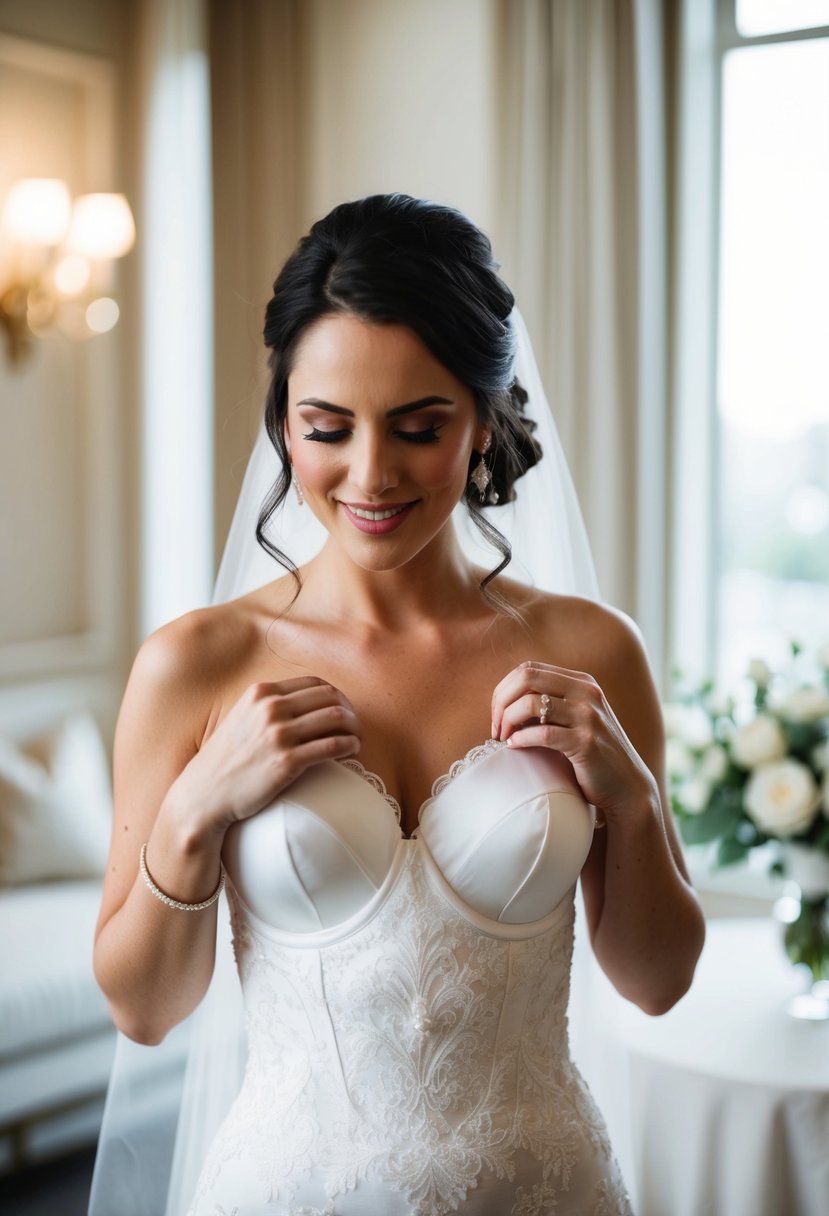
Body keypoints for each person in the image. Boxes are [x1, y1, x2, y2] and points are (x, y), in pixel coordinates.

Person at [91, 194, 705, 1216]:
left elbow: (656, 981)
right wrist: (198, 805)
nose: (369, 475)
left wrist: (631, 803)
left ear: (484, 422)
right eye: (326, 428)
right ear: (283, 422)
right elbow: (145, 1010)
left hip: (544, 1189)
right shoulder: (195, 664)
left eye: (419, 427)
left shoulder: (592, 650)